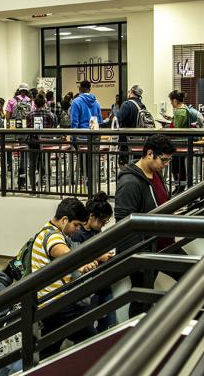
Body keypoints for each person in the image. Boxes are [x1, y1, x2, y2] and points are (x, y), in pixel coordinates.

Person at [114, 134, 176, 317]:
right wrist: (140, 256)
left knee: (144, 297)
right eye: (164, 160)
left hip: (162, 243)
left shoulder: (155, 173)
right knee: (142, 298)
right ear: (150, 154)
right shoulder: (130, 183)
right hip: (146, 249)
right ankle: (134, 337)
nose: (166, 164)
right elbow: (124, 223)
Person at [30, 198, 98, 359]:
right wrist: (80, 265)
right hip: (59, 305)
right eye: (76, 225)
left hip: (48, 304)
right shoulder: (53, 236)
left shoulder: (45, 230)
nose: (76, 229)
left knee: (48, 352)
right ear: (64, 220)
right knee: (93, 342)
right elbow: (59, 250)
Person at [71, 192, 116, 331]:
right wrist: (99, 257)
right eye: (102, 221)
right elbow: (75, 261)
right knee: (85, 325)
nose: (103, 225)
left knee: (109, 321)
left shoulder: (97, 231)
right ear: (91, 216)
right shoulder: (78, 234)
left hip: (101, 282)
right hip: (88, 286)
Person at [26, 94, 56, 190]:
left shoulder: (30, 114)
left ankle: (33, 185)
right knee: (45, 162)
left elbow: (27, 127)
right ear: (44, 103)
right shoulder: (50, 114)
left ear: (34, 103)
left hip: (33, 142)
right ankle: (45, 182)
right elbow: (53, 127)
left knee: (32, 163)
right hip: (46, 143)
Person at [168, 90, 192, 193]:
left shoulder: (179, 111)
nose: (170, 103)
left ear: (174, 100)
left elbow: (177, 128)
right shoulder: (185, 109)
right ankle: (181, 185)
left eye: (171, 101)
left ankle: (179, 186)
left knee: (176, 165)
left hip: (178, 142)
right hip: (185, 141)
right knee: (181, 164)